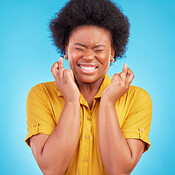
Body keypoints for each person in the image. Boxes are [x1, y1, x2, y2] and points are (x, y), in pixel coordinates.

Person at [25, 0, 152, 174]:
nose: (88, 57)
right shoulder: (41, 94)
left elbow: (119, 171)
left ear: (112, 53)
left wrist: (108, 102)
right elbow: (51, 169)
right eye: (79, 48)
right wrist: (71, 100)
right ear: (66, 49)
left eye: (98, 49)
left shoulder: (137, 99)